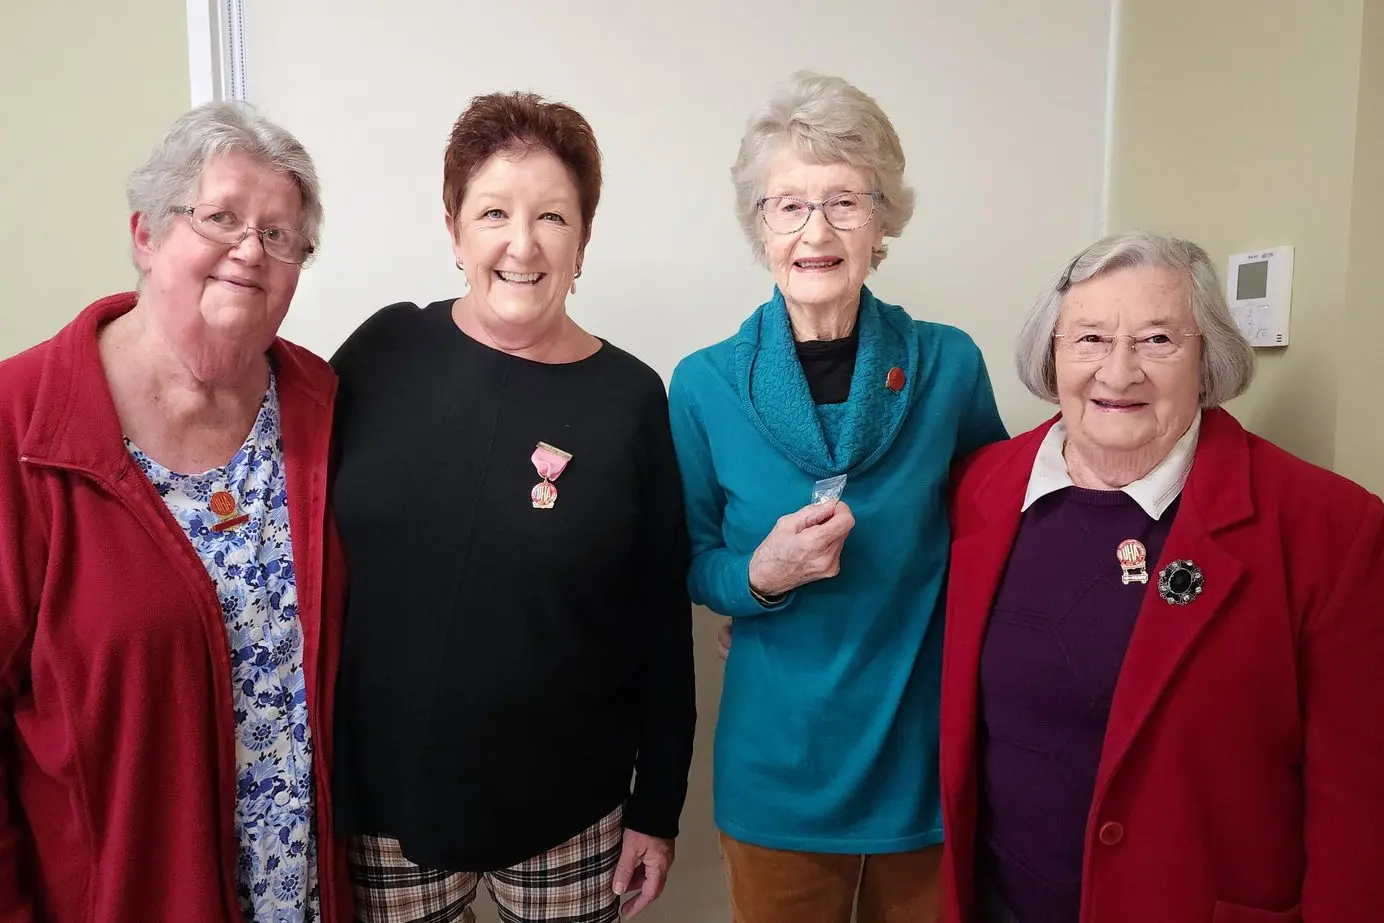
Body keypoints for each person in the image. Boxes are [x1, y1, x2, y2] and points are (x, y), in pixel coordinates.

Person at [938, 230, 1384, 923]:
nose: (1119, 373)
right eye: (1089, 339)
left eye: (1157, 340)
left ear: (1208, 359)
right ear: (1051, 354)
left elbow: (1360, 808)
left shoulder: (1329, 528)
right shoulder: (979, 488)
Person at [329, 91, 696, 923]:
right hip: (389, 802)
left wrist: (657, 805)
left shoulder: (633, 398)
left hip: (574, 812)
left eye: (553, 217)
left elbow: (659, 624)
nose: (522, 244)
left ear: (584, 239)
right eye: (494, 211)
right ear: (454, 230)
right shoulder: (382, 351)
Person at [668, 72, 1007, 923]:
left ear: (885, 220)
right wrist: (762, 576)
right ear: (760, 226)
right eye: (788, 205)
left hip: (920, 760)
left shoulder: (949, 367)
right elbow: (691, 560)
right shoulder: (704, 385)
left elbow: (996, 537)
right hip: (779, 772)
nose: (816, 231)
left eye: (846, 203)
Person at [0, 102, 352, 922]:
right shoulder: (22, 426)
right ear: (147, 235)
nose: (248, 250)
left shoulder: (322, 406)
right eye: (221, 216)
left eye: (279, 233)